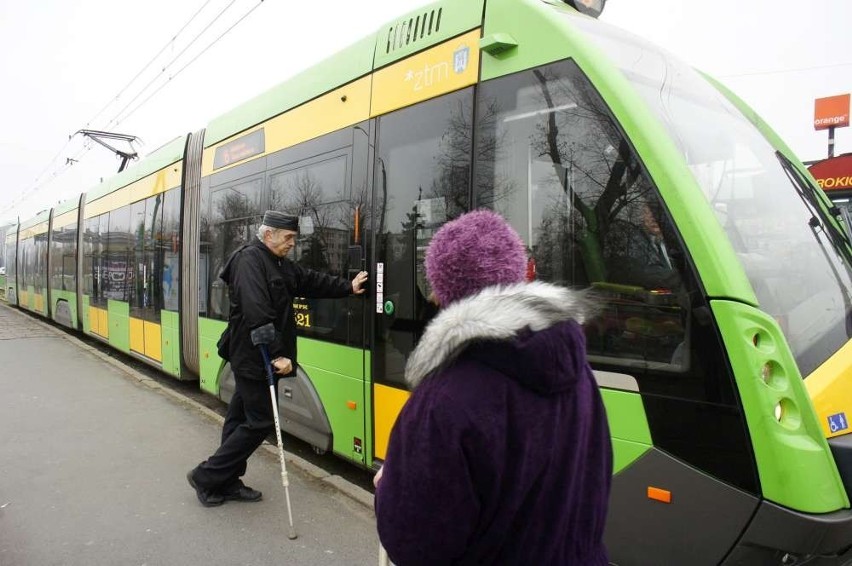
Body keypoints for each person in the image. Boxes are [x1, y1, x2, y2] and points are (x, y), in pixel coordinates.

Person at [374, 210, 612, 565]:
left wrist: (390, 485)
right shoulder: (577, 370)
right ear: (517, 273)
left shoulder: (443, 400)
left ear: (441, 292)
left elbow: (415, 543)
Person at [187, 210, 368, 507]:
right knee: (259, 422)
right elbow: (258, 313)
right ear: (268, 234)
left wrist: (347, 287)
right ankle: (206, 476)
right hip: (253, 356)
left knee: (238, 419)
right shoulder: (249, 260)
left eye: (294, 239)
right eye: (288, 238)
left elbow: (309, 280)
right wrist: (278, 355)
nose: (292, 244)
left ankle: (226, 480)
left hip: (255, 357)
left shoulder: (278, 262)